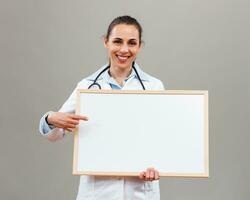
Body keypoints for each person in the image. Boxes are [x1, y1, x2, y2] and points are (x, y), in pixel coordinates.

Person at [39, 15, 165, 200]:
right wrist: (50, 118)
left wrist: (157, 165)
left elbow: (163, 138)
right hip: (97, 192)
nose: (124, 49)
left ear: (140, 46)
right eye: (117, 41)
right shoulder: (87, 87)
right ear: (105, 42)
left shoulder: (154, 87)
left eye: (132, 43)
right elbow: (56, 134)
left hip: (140, 191)